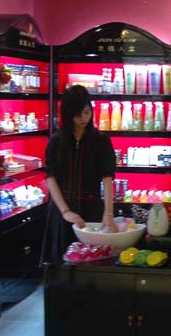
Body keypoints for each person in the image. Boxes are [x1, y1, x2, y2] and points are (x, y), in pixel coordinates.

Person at [43, 84, 117, 262]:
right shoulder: (57, 140)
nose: (83, 118)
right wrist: (65, 211)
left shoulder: (100, 140)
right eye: (78, 114)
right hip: (61, 210)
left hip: (91, 209)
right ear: (68, 114)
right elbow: (50, 177)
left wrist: (108, 213)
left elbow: (108, 178)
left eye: (87, 112)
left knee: (92, 260)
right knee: (61, 262)